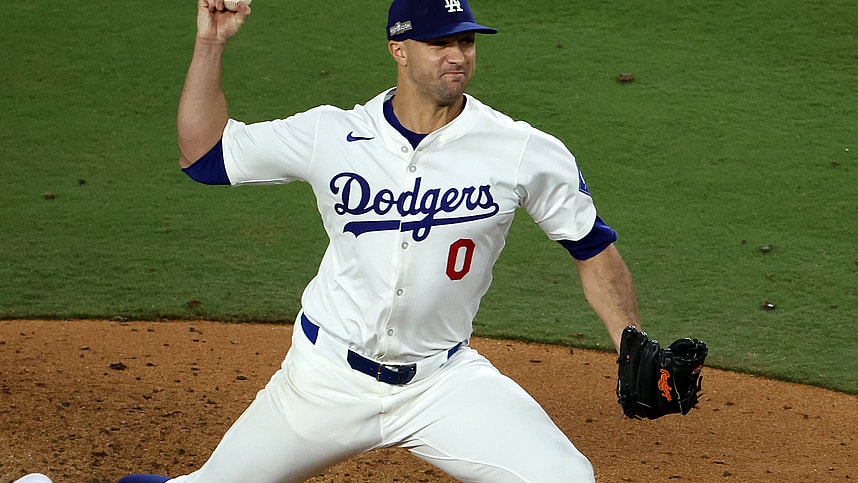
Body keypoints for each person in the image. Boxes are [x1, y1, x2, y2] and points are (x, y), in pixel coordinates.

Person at [118, 0, 641, 481]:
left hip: (441, 382)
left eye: (466, 42)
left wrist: (631, 344)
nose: (457, 56)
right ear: (399, 50)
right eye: (439, 43)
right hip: (324, 380)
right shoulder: (331, 134)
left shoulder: (521, 149)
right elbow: (204, 155)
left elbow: (591, 246)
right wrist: (210, 43)